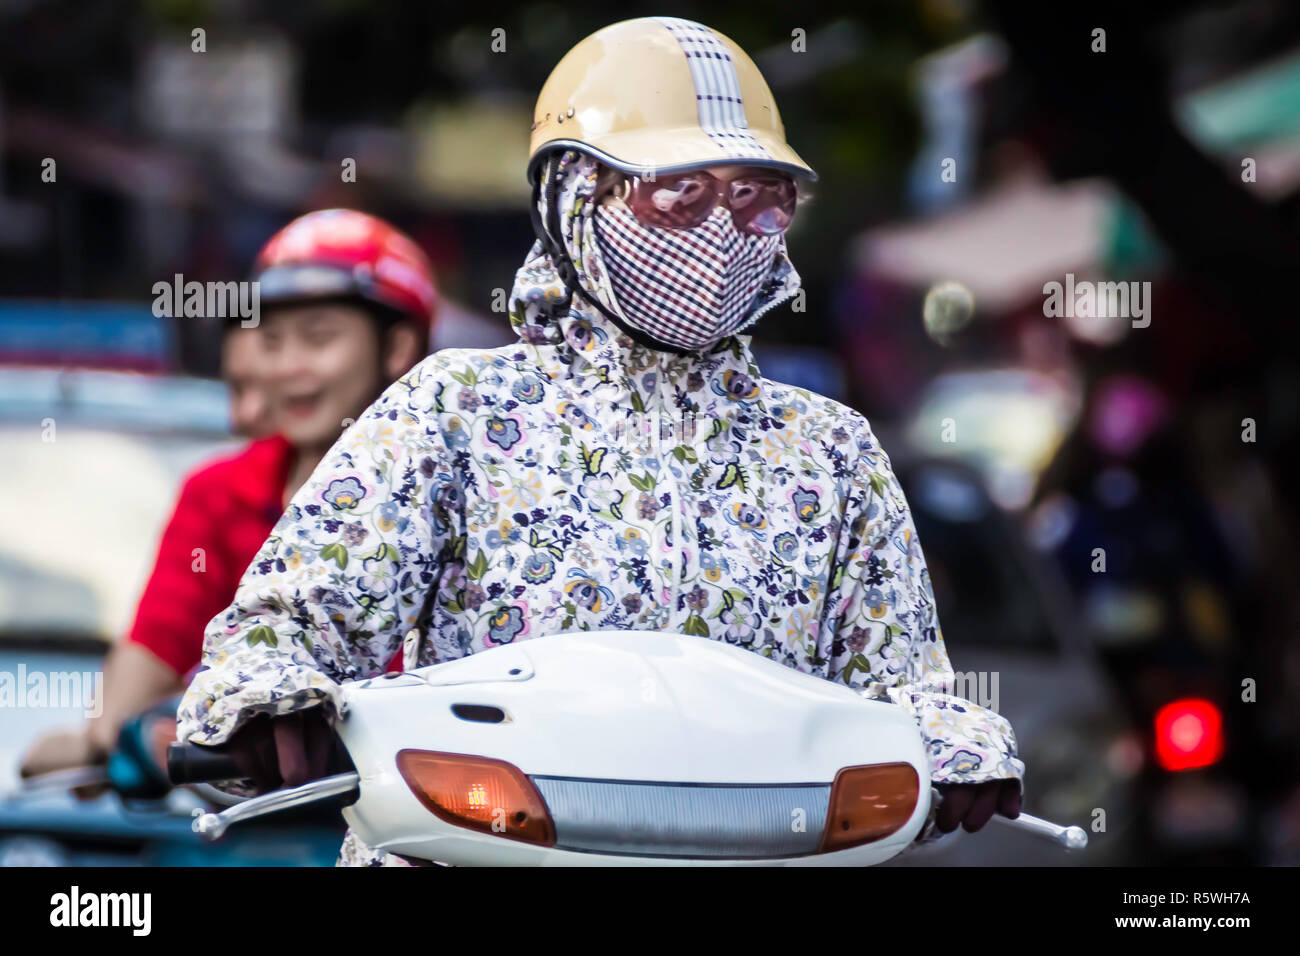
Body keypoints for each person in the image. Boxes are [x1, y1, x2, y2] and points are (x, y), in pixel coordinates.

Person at [178, 18, 1025, 866]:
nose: (720, 232)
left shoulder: (831, 450)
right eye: (680, 194)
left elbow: (901, 689)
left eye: (755, 196)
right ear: (574, 196)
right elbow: (286, 626)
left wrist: (951, 742)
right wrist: (268, 701)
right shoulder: (457, 411)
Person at [19, 209, 436, 781]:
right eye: (272, 341)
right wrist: (105, 735)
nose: (289, 367)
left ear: (397, 346)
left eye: (318, 338)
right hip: (243, 815)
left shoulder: (447, 491)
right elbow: (160, 638)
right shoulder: (218, 492)